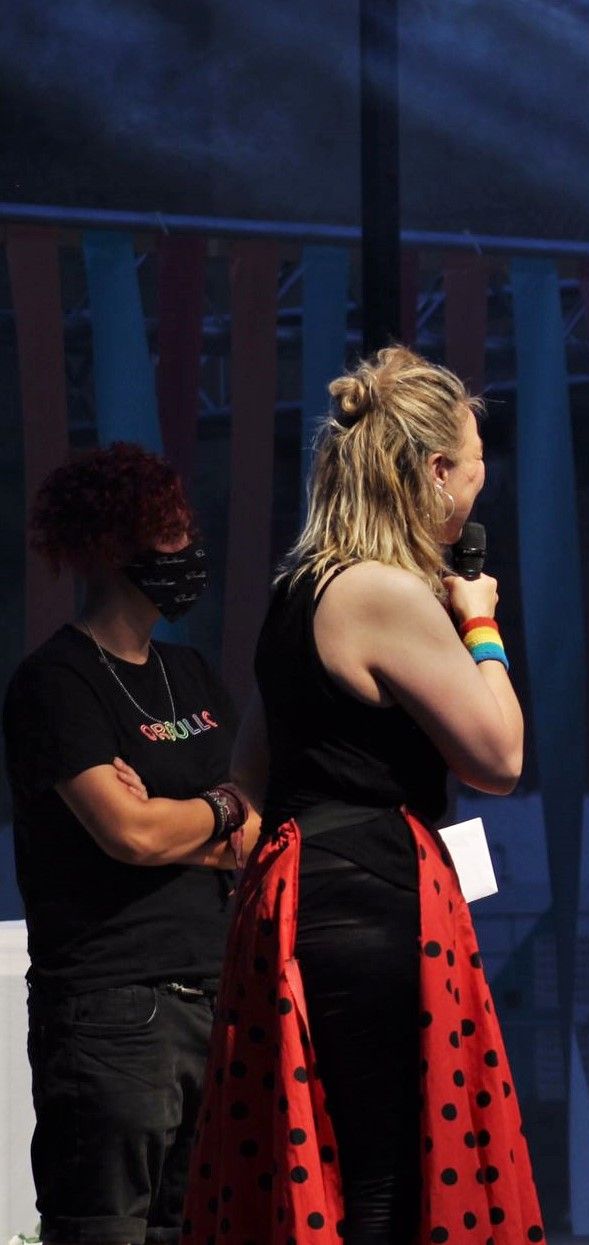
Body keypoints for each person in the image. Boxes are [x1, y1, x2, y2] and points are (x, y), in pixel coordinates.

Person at [181, 346, 543, 1245]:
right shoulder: (383, 594)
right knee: (385, 1178)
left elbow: (253, 761)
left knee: (341, 1165)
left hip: (302, 885)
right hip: (367, 897)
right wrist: (481, 623)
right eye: (472, 467)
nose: (477, 489)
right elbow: (499, 754)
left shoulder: (299, 591)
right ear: (432, 473)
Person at [3, 443, 257, 1245]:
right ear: (116, 547)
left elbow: (249, 828)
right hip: (115, 1012)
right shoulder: (58, 682)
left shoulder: (192, 674)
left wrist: (197, 813)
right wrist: (211, 814)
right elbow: (131, 832)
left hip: (215, 995)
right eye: (174, 534)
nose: (189, 552)